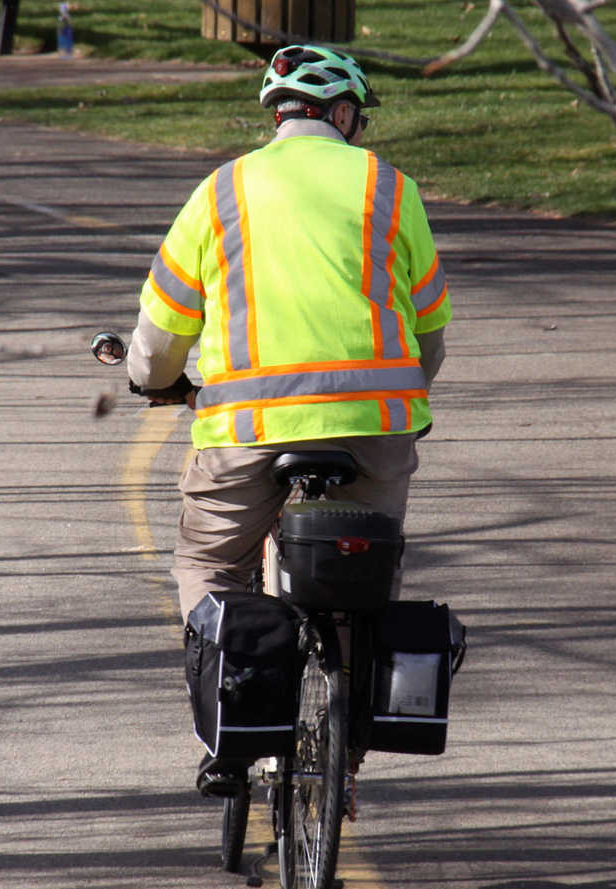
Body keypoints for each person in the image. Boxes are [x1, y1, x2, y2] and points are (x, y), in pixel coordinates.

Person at [126, 45, 452, 796]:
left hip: (246, 431)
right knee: (361, 574)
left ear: (279, 115)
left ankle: (231, 725)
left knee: (210, 563)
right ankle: (346, 743)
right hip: (375, 426)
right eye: (358, 118)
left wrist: (157, 380)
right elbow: (429, 330)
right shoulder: (389, 189)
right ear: (342, 114)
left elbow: (160, 332)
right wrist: (402, 403)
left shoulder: (221, 191)